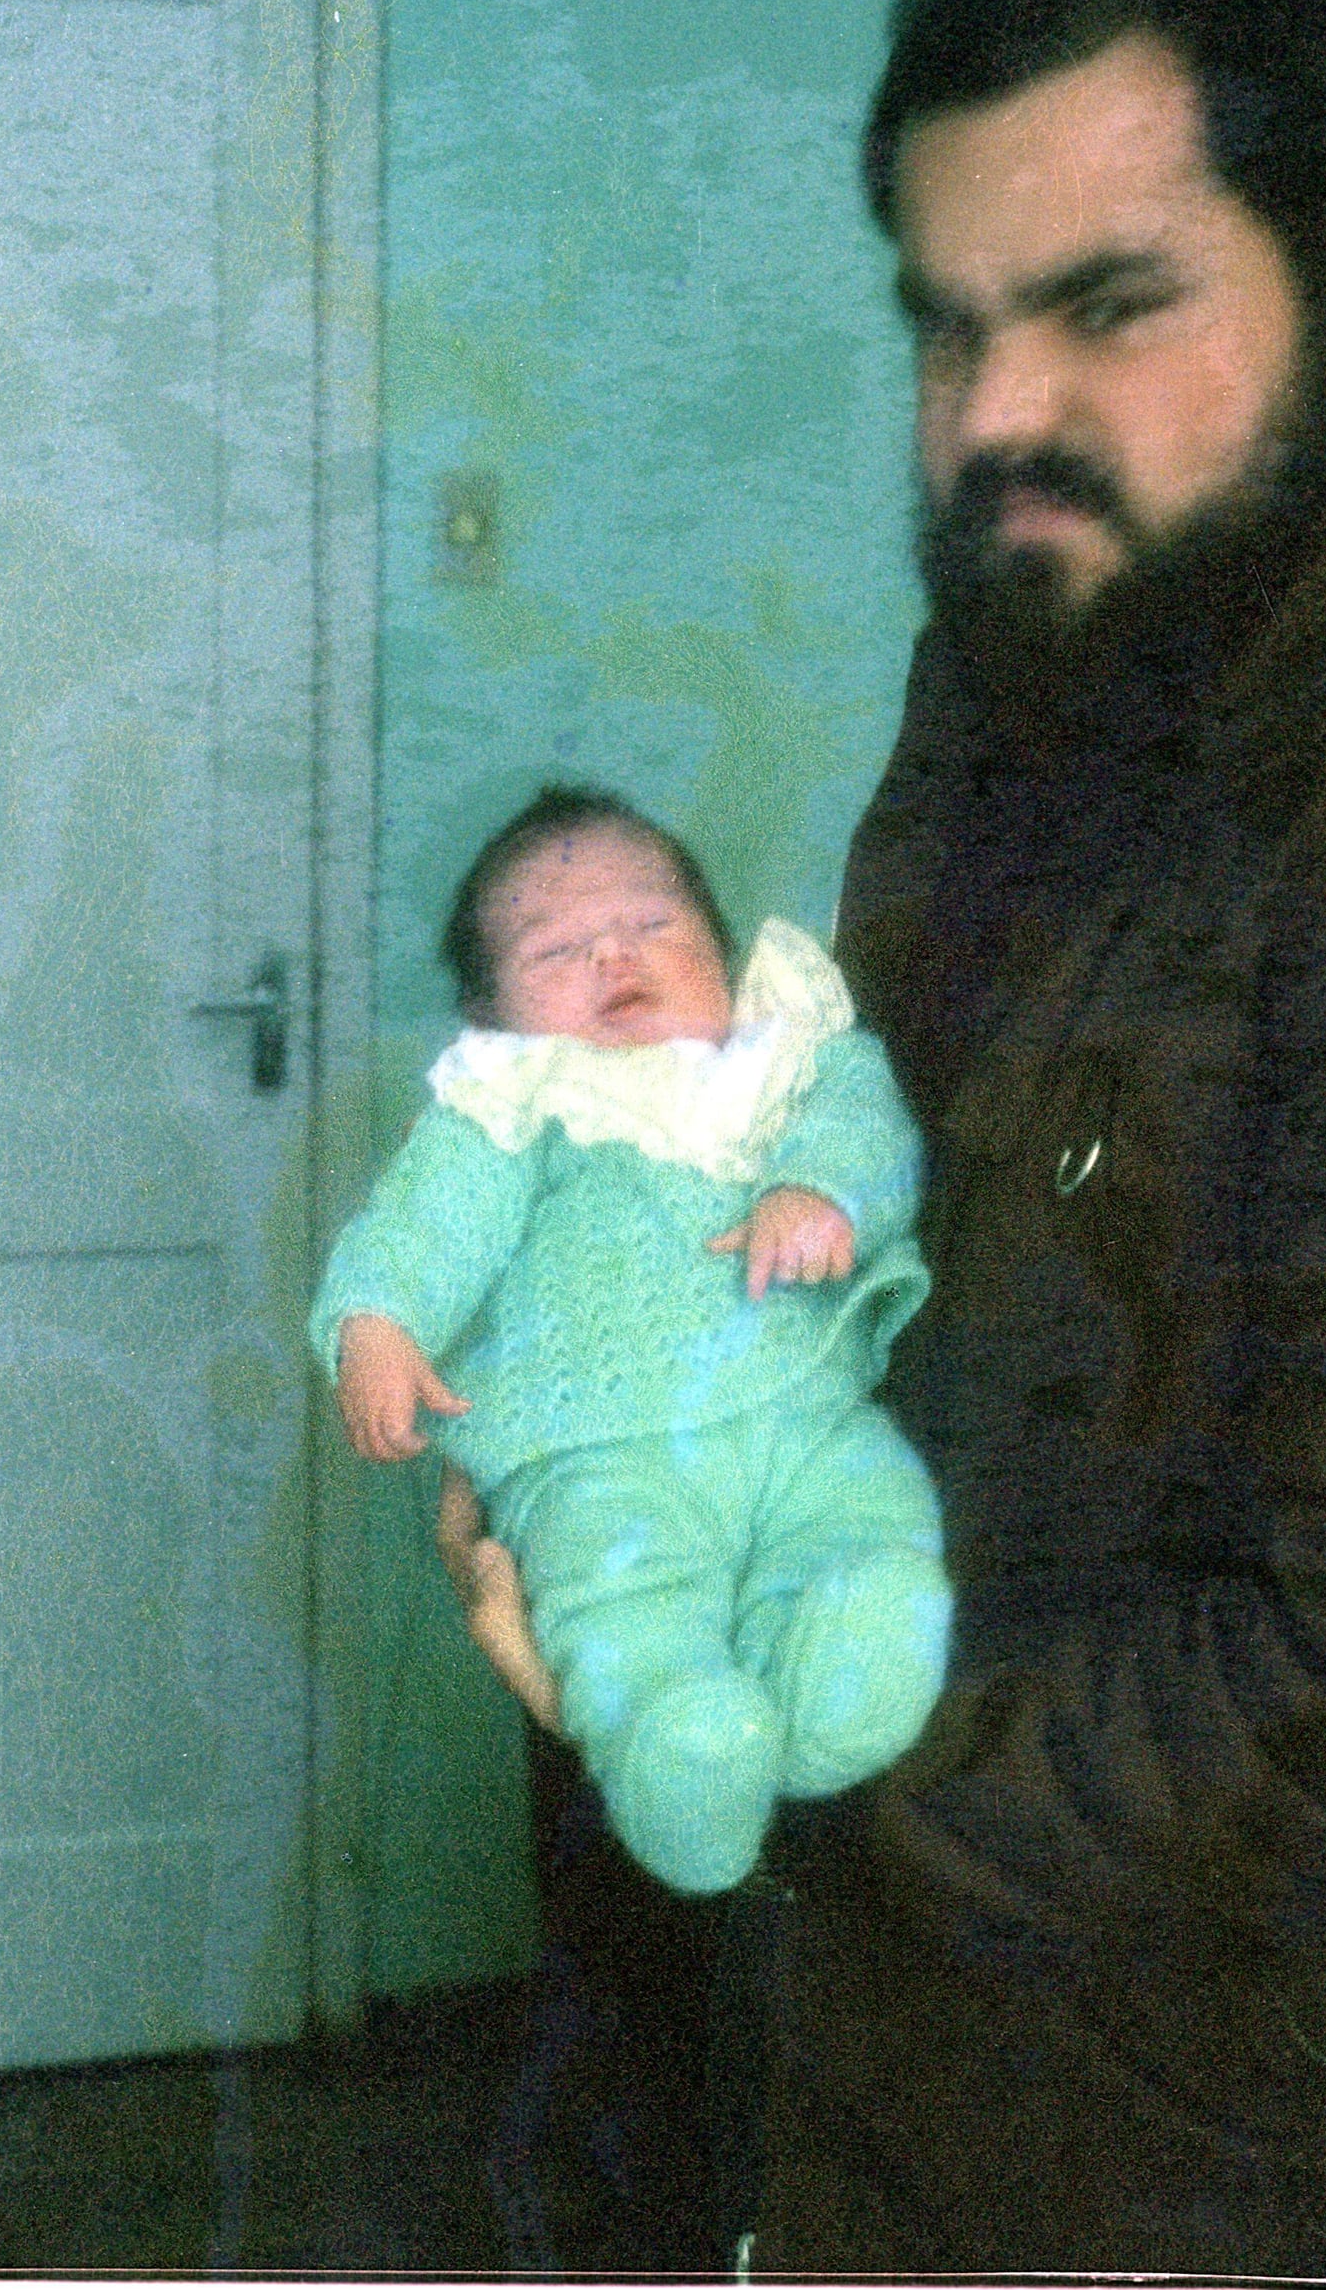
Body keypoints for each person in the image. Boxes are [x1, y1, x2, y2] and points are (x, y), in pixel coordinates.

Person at [439, 0, 1326, 2272]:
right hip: (897, 2059)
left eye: (1110, 307)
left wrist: (770, 1740)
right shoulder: (1042, 628)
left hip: (1238, 2162)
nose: (997, 418)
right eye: (945, 326)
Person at [314, 786, 950, 1896]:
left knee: (869, 1511)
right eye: (556, 949)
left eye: (654, 924)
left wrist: (821, 1189)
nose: (614, 954)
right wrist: (375, 1320)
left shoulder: (793, 1055)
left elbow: (869, 1131)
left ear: (721, 952)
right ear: (492, 1014)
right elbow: (425, 1223)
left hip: (806, 1410)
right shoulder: (516, 1100)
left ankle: (851, 1656)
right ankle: (677, 1743)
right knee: (618, 1600)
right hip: (595, 1450)